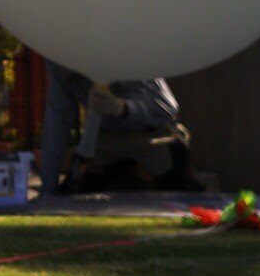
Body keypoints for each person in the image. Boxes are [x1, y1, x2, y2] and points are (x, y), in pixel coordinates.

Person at [38, 63, 202, 193]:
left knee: (182, 190)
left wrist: (122, 108)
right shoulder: (59, 65)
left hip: (153, 136)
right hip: (106, 141)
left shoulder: (124, 50)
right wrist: (48, 189)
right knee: (77, 193)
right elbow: (57, 123)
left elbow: (166, 107)